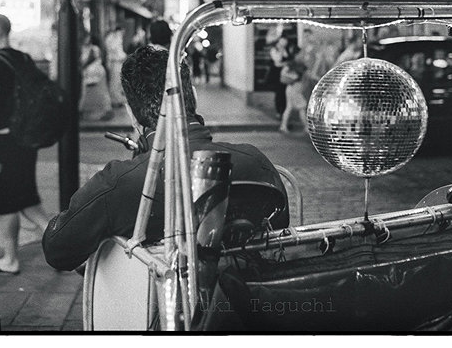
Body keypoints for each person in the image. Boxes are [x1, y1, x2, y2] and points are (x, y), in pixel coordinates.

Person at [42, 46, 290, 271]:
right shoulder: (255, 160)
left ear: (131, 113)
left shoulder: (119, 182)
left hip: (158, 312)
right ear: (193, 94)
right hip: (246, 302)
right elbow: (278, 233)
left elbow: (58, 249)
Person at [0, 14, 51, 275]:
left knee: (7, 202)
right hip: (26, 138)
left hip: (3, 140)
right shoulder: (23, 58)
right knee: (26, 201)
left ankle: (11, 258)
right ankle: (68, 247)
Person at [79, 36, 113, 121]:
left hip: (95, 71)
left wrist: (83, 65)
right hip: (90, 72)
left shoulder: (94, 48)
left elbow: (91, 58)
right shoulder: (85, 48)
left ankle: (101, 112)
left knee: (99, 92)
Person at [279, 44, 309, 134]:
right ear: (296, 54)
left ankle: (283, 126)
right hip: (294, 88)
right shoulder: (293, 64)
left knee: (289, 107)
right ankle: (306, 127)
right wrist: (293, 76)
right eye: (300, 53)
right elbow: (283, 73)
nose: (302, 55)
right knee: (302, 106)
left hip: (293, 88)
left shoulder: (300, 64)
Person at [268, 36, 291, 118]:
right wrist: (281, 50)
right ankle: (279, 111)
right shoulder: (274, 50)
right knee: (279, 92)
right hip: (277, 74)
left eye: (285, 41)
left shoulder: (287, 49)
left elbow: (290, 60)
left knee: (285, 92)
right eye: (283, 41)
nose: (284, 43)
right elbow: (277, 62)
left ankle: (284, 111)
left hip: (285, 73)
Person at [105, 27, 127, 107]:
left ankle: (116, 100)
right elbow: (116, 51)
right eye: (122, 32)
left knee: (116, 82)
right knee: (115, 81)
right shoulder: (114, 38)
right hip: (115, 62)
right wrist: (123, 56)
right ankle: (115, 100)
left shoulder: (113, 38)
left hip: (116, 62)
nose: (123, 34)